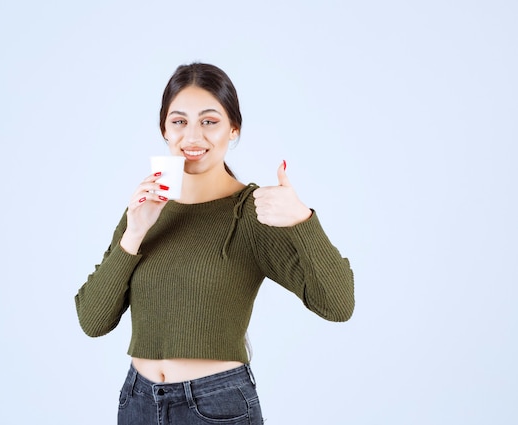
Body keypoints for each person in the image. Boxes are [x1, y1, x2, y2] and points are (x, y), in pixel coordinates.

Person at [75, 62, 355, 425]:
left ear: (233, 129)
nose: (192, 137)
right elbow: (93, 320)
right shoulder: (144, 209)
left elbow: (338, 304)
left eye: (209, 121)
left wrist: (304, 220)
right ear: (164, 129)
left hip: (216, 407)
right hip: (138, 402)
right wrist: (134, 233)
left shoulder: (250, 213)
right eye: (179, 122)